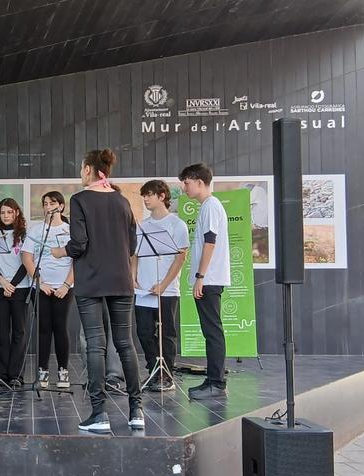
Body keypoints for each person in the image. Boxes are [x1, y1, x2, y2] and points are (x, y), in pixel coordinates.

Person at [52, 149, 144, 433]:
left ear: (90, 169)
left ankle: (99, 414)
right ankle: (136, 410)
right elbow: (131, 246)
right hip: (121, 280)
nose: (81, 174)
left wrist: (60, 251)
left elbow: (79, 244)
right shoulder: (121, 200)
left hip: (91, 281)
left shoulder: (79, 200)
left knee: (96, 344)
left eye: (82, 169)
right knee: (125, 343)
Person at [179, 163, 231, 400]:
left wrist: (200, 277)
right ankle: (213, 379)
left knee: (212, 331)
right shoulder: (208, 206)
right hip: (208, 278)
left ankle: (217, 383)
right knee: (211, 330)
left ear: (199, 182)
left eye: (187, 183)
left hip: (209, 279)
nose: (184, 188)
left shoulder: (210, 206)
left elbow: (210, 242)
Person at [132, 180, 189, 392]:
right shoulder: (142, 227)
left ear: (162, 196)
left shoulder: (177, 224)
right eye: (144, 195)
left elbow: (180, 258)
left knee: (167, 333)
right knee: (144, 332)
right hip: (143, 289)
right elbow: (135, 256)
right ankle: (154, 370)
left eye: (149, 195)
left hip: (167, 289)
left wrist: (164, 285)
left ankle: (167, 375)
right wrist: (133, 277)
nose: (145, 199)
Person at [22, 192, 74, 389]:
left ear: (61, 206)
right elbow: (27, 257)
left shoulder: (71, 230)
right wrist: (39, 282)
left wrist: (66, 285)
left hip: (64, 287)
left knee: (60, 328)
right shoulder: (37, 230)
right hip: (41, 287)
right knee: (44, 329)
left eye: (52, 203)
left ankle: (63, 371)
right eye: (45, 203)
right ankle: (42, 371)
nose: (48, 207)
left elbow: (77, 260)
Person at [0, 198, 29, 388]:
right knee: (2, 333)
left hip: (19, 288)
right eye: (2, 213)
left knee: (19, 332)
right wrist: (2, 281)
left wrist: (12, 284)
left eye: (9, 212)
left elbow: (26, 263)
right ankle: (3, 374)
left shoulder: (25, 235)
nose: (6, 216)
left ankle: (16, 374)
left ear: (16, 213)